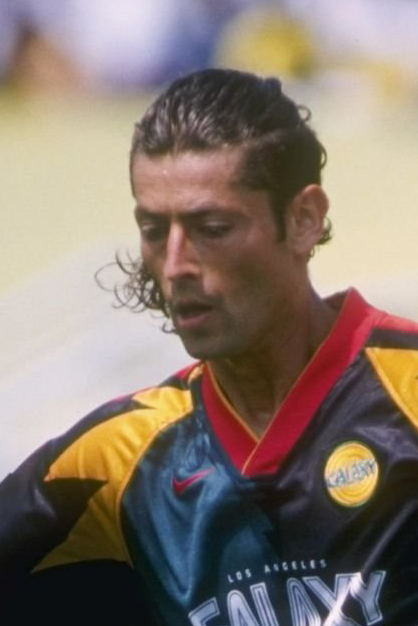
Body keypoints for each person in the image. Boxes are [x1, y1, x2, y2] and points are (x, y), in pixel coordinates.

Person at [1, 68, 418, 626]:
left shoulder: (407, 393)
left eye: (212, 228)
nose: (175, 266)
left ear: (304, 220)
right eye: (154, 230)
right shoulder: (117, 459)